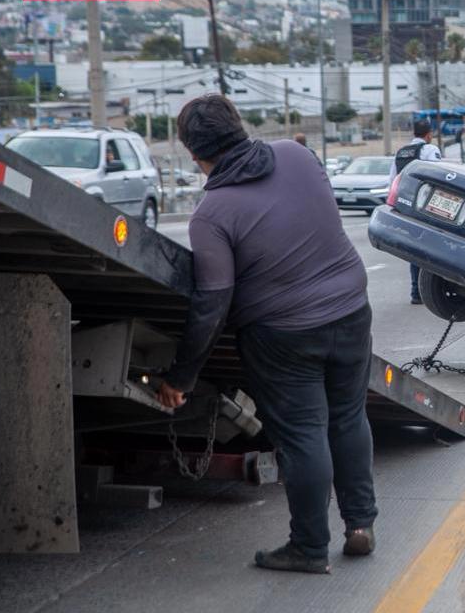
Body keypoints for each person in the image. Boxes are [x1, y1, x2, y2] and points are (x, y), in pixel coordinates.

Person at [156, 94, 377, 574]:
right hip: (352, 308)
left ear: (195, 156)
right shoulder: (298, 156)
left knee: (303, 437)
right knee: (348, 418)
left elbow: (212, 302)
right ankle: (360, 526)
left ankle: (309, 547)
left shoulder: (212, 214)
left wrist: (182, 376)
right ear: (239, 126)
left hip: (284, 336)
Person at [389, 119, 442, 304]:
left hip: (406, 205)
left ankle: (416, 292)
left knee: (415, 249)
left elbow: (393, 180)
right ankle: (431, 291)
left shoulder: (401, 152)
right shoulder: (431, 150)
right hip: (427, 206)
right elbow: (439, 177)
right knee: (434, 248)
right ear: (428, 134)